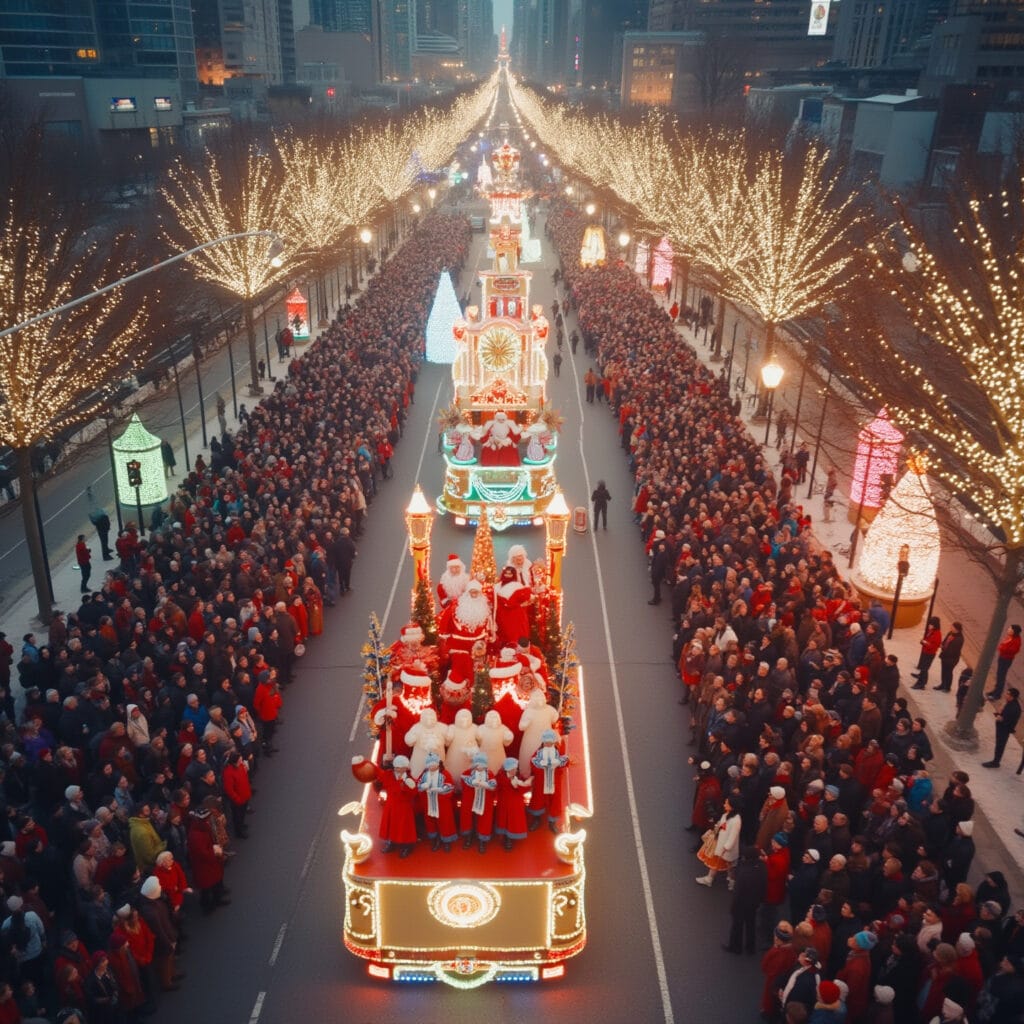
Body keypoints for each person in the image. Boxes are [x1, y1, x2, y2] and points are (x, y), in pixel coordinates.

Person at [724, 845, 766, 955]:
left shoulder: (744, 872)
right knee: (750, 924)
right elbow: (763, 885)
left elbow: (738, 892)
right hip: (754, 903)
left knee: (737, 925)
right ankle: (750, 947)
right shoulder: (762, 867)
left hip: (741, 904)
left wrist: (733, 907)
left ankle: (735, 947)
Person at [983, 688, 1021, 768]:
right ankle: (996, 761)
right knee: (999, 744)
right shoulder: (1010, 703)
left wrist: (1001, 718)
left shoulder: (1014, 708)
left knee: (1000, 745)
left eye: (1008, 694)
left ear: (1012, 696)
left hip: (1004, 729)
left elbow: (1011, 721)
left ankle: (995, 762)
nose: (1005, 695)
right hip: (1002, 726)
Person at [987, 624, 1022, 701]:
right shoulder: (1011, 637)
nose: (1008, 630)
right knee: (999, 675)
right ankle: (995, 690)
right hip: (1003, 658)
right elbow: (1002, 645)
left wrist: (1002, 648)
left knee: (1001, 677)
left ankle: (997, 694)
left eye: (1010, 629)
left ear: (1013, 631)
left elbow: (1009, 650)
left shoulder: (1016, 641)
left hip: (1006, 660)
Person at [912, 617, 943, 688]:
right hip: (925, 651)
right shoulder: (931, 631)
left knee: (925, 669)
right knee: (923, 668)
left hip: (929, 653)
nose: (929, 626)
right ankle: (921, 679)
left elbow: (933, 645)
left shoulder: (937, 634)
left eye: (931, 624)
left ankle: (921, 684)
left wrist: (924, 642)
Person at [937, 622, 965, 692]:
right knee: (943, 671)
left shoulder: (959, 639)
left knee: (948, 672)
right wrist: (942, 645)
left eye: (952, 627)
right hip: (945, 656)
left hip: (952, 659)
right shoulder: (950, 633)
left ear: (956, 629)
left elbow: (952, 650)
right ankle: (943, 684)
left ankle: (947, 687)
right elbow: (945, 641)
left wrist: (943, 648)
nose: (950, 628)